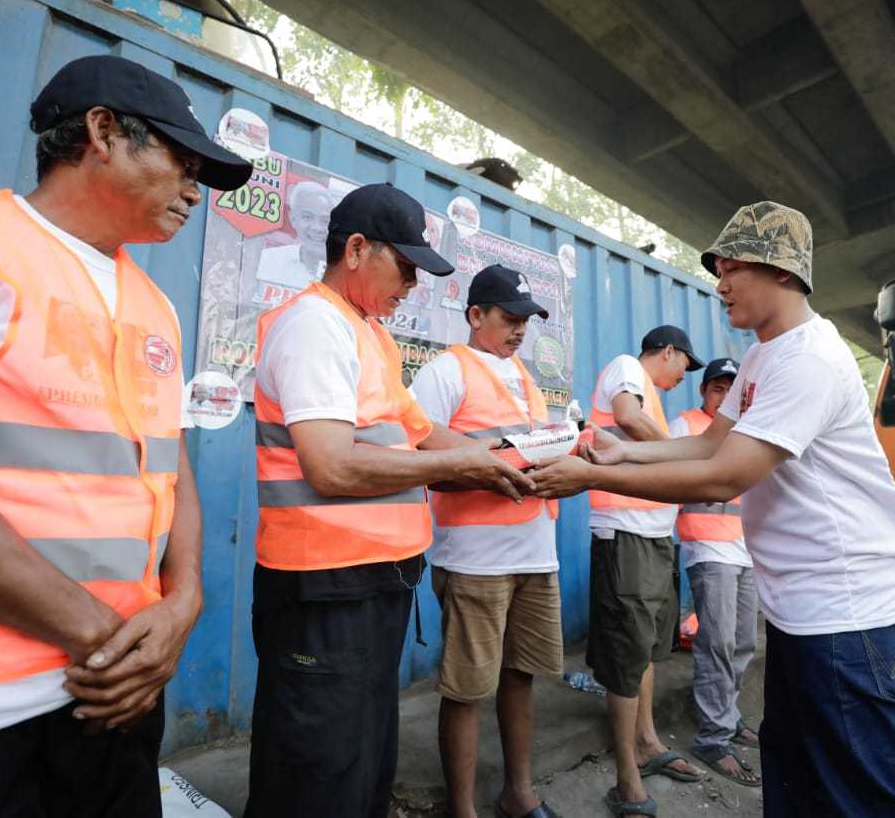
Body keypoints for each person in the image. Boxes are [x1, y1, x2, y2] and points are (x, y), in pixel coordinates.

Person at [0, 54, 253, 816]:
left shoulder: (154, 304)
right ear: (102, 132)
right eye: (184, 161)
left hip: (110, 709)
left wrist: (185, 600)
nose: (197, 190)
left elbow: (170, 467)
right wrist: (109, 638)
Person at [533, 201, 895, 817]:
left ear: (784, 271)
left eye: (734, 268)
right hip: (806, 607)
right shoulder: (761, 355)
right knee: (797, 771)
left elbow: (723, 476)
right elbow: (705, 443)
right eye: (717, 269)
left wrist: (589, 475)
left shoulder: (809, 359)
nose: (719, 285)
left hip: (847, 608)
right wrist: (618, 459)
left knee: (872, 793)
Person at [246, 184, 535, 817]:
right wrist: (458, 464)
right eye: (404, 268)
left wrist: (505, 457)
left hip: (373, 581)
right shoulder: (315, 323)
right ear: (356, 249)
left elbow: (423, 429)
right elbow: (330, 464)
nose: (412, 285)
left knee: (361, 758)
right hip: (323, 584)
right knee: (319, 767)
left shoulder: (368, 332)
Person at [409, 263, 563, 818]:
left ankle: (518, 794)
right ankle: (462, 809)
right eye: (509, 317)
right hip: (475, 561)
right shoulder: (444, 372)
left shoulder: (525, 380)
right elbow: (420, 458)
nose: (520, 329)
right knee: (467, 688)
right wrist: (492, 466)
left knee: (521, 674)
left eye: (526, 320)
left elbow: (535, 451)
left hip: (535, 554)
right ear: (475, 315)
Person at [587, 324, 705, 814]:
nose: (684, 377)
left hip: (655, 535)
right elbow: (626, 418)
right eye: (685, 366)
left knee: (652, 648)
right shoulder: (627, 368)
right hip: (625, 532)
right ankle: (626, 777)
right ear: (669, 352)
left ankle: (648, 740)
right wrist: (680, 460)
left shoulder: (652, 393)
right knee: (626, 655)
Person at [667, 357, 760, 788]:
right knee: (717, 640)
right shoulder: (686, 427)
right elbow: (673, 478)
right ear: (704, 392)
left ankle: (728, 713)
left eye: (731, 388)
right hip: (708, 548)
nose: (723, 395)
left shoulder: (748, 435)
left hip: (746, 550)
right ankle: (712, 735)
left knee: (744, 642)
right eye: (716, 388)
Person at [255, 179, 336, 289]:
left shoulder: (340, 271)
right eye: (307, 217)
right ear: (293, 219)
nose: (317, 228)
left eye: (325, 220)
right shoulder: (269, 260)